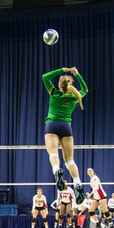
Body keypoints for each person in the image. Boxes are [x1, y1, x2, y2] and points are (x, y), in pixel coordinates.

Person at [42, 67, 88, 204]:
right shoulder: (75, 96)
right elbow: (85, 89)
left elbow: (45, 76)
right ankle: (78, 182)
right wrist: (77, 75)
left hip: (52, 125)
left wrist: (63, 70)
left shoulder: (54, 93)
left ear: (59, 85)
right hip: (66, 127)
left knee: (53, 154)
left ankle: (57, 171)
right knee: (69, 160)